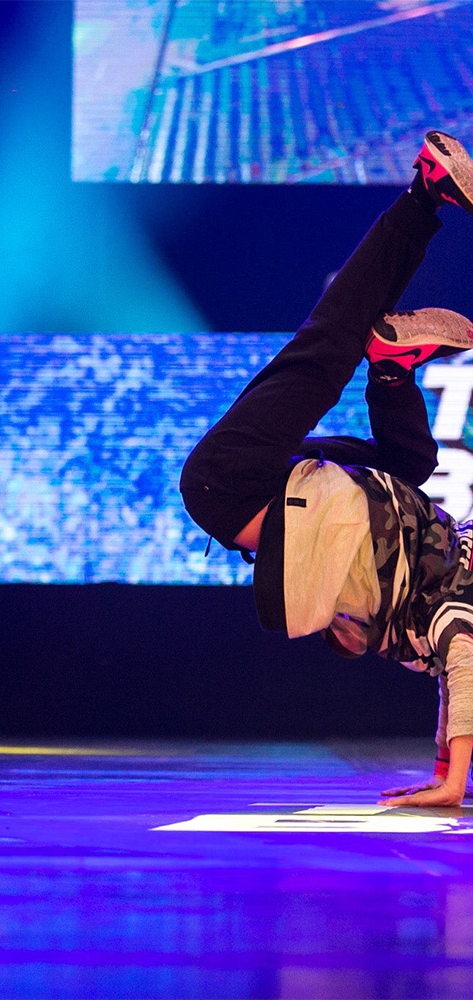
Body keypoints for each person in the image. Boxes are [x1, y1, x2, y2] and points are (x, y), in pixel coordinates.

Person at [180, 130, 473, 808]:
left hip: (293, 491)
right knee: (332, 356)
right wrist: (451, 782)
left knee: (403, 451)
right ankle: (424, 197)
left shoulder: (443, 598)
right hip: (242, 488)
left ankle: (392, 365)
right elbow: (460, 668)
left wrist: (446, 771)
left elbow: (456, 676)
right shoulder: (449, 610)